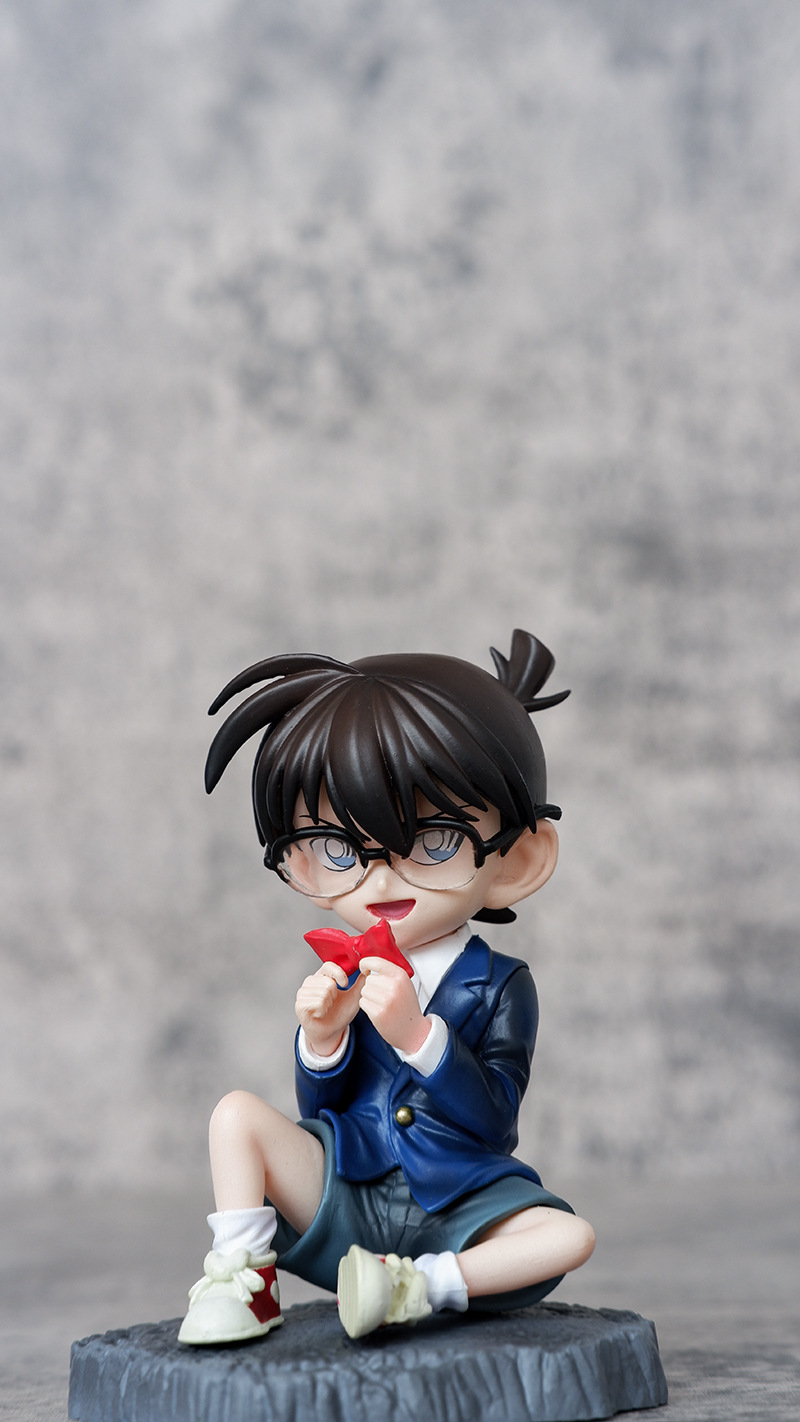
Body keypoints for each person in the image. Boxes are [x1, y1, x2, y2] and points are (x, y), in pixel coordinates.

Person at [178, 630, 595, 1345]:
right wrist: (322, 1041)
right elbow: (321, 1113)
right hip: (348, 1192)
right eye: (339, 849)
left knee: (568, 1237)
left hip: (459, 1202)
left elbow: (494, 1120)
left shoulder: (500, 986)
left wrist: (419, 1038)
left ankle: (414, 1287)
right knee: (235, 1117)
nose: (380, 879)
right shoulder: (348, 971)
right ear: (301, 864)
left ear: (517, 860)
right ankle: (243, 1278)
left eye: (433, 842)